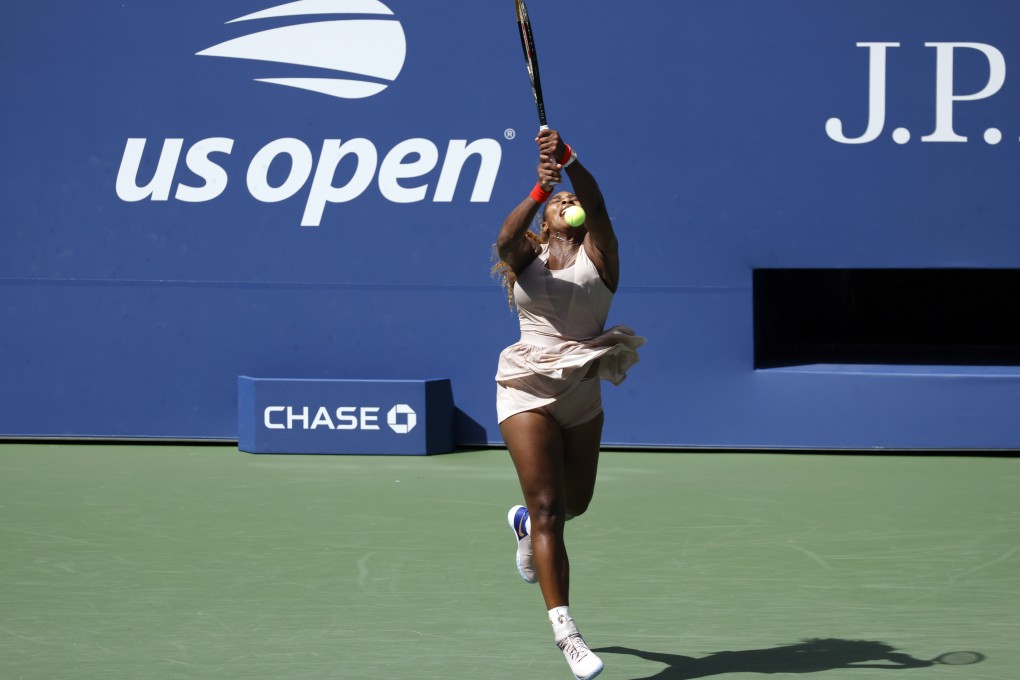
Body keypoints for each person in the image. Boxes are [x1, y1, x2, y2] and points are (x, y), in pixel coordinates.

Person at [493, 128, 645, 680]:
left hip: (581, 390)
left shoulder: (601, 257)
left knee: (574, 503)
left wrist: (569, 158)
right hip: (525, 387)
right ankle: (567, 632)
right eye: (560, 200)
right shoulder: (526, 257)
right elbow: (505, 238)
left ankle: (524, 527)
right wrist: (539, 187)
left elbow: (597, 202)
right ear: (545, 219)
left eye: (570, 199)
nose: (568, 201)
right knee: (550, 509)